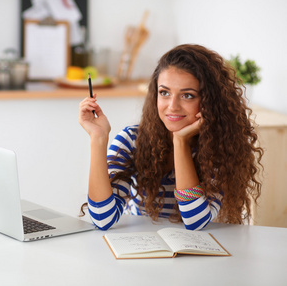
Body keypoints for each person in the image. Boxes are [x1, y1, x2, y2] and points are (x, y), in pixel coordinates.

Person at [78, 44, 263, 231]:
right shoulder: (132, 140)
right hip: (141, 249)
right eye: (164, 93)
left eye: (188, 95)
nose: (172, 106)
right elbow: (103, 219)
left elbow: (195, 221)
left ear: (208, 101)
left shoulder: (218, 146)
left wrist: (180, 141)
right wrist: (98, 138)